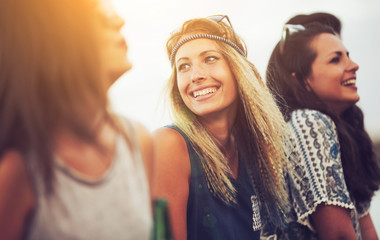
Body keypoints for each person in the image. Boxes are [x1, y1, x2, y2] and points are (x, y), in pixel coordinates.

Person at [0, 0, 153, 239]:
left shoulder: (137, 141)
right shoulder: (17, 169)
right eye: (99, 16)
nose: (119, 21)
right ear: (55, 36)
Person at [153, 15, 290, 240]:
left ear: (238, 71)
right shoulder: (169, 145)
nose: (195, 75)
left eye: (210, 59)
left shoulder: (251, 152)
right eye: (184, 66)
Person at [265, 13, 380, 239]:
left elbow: (366, 228)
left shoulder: (344, 131)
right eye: (336, 59)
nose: (354, 65)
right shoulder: (309, 123)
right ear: (302, 79)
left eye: (348, 56)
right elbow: (337, 235)